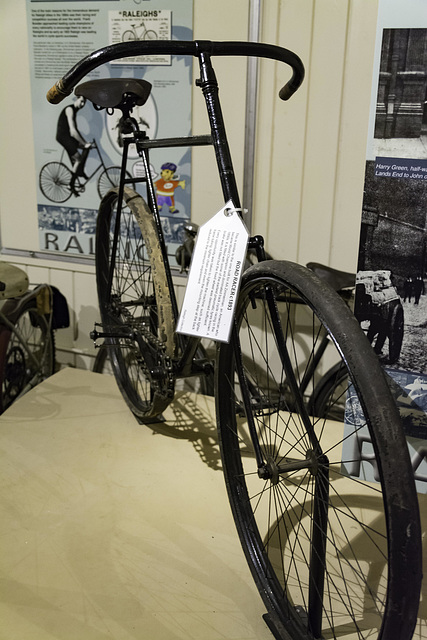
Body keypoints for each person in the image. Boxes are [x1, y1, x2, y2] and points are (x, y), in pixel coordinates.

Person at [56, 96, 91, 195]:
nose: (82, 105)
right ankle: (70, 185)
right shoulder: (69, 109)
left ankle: (80, 171)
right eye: (81, 101)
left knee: (86, 149)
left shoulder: (74, 110)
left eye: (84, 103)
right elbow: (73, 132)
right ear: (76, 99)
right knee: (78, 158)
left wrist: (85, 144)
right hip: (63, 137)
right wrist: (84, 143)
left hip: (68, 137)